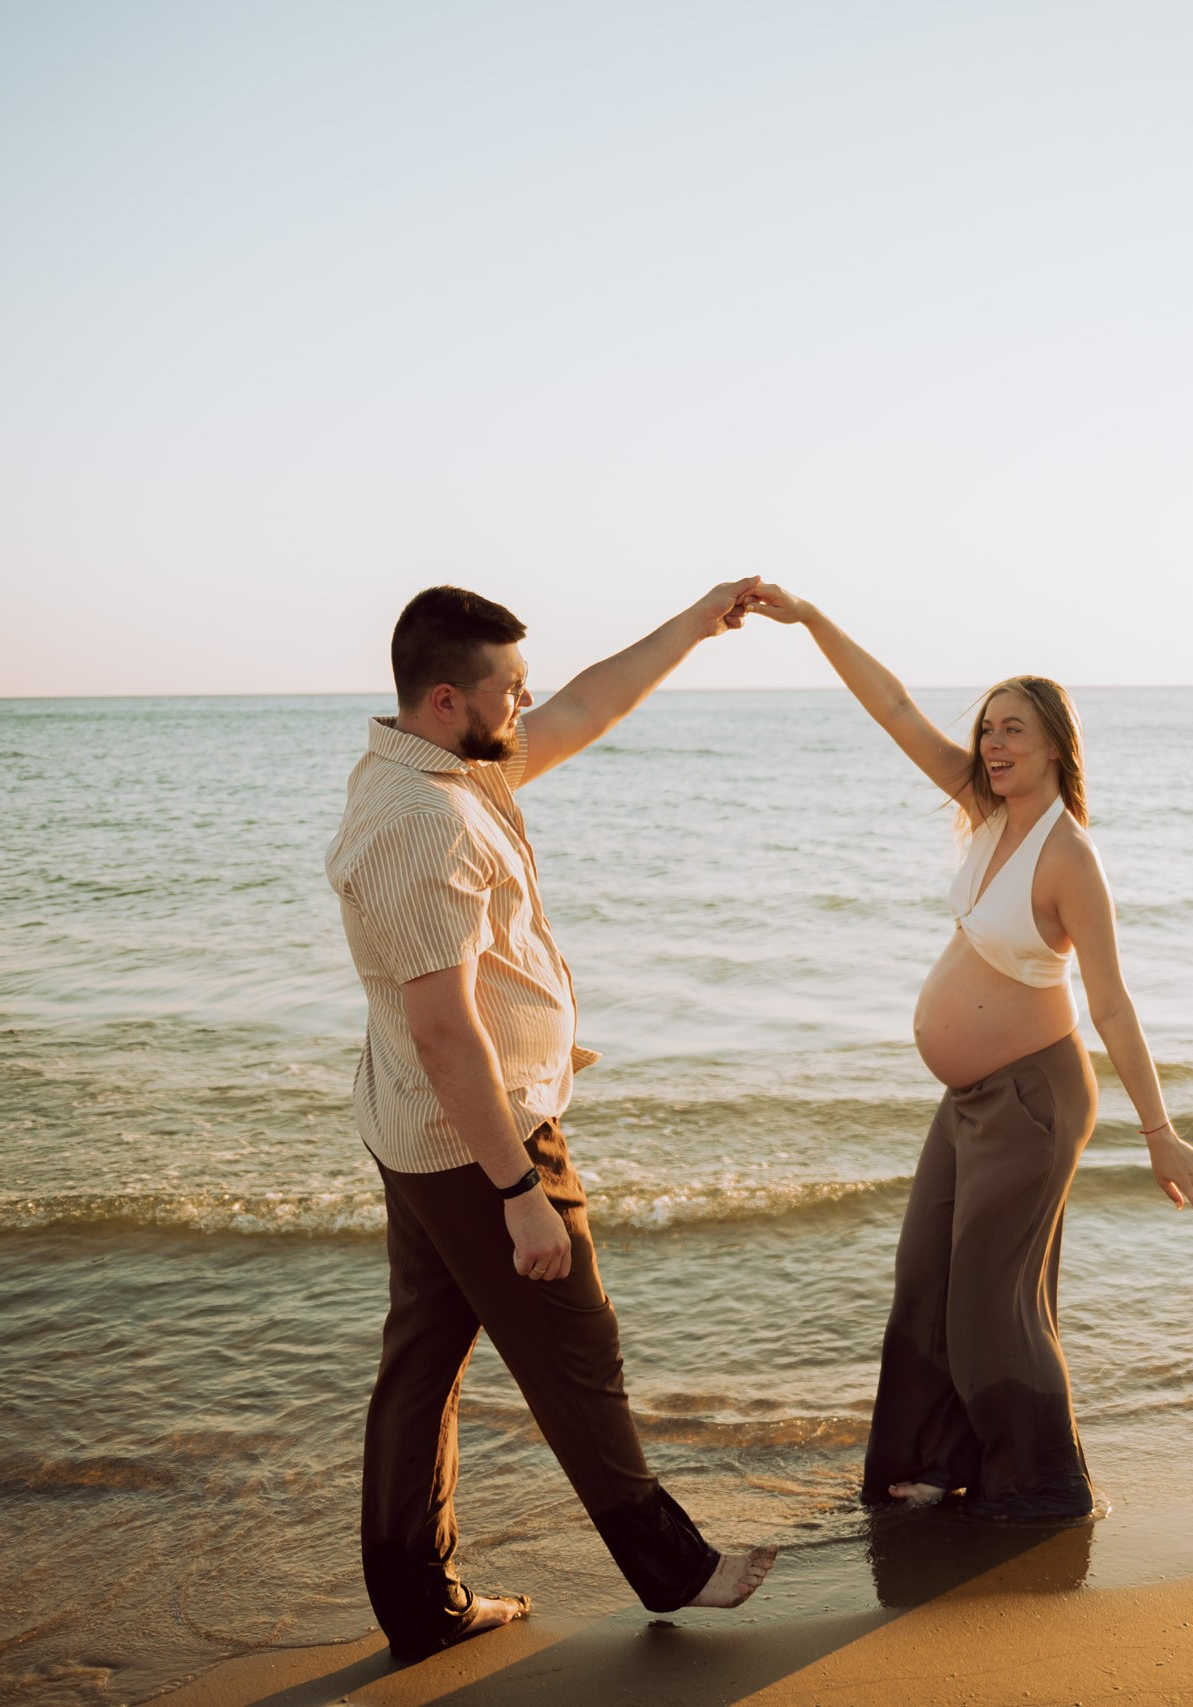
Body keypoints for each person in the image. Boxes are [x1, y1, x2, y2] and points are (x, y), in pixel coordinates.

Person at [325, 581, 780, 1661]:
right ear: (448, 699)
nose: (528, 710)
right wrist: (520, 1194)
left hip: (428, 1132)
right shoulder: (420, 820)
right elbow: (445, 1032)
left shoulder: (447, 768)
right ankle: (673, 1567)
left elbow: (586, 707)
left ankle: (419, 1608)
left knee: (422, 1368)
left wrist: (694, 622)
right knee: (578, 1346)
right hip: (477, 1143)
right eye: (509, 694)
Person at [743, 585, 1193, 1521]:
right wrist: (809, 622)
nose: (993, 744)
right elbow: (892, 708)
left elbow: (1113, 1005)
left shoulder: (1068, 856)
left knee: (989, 1308)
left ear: (1055, 743)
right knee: (926, 1282)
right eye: (987, 730)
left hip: (1033, 1099)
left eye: (1012, 729)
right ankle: (939, 1463)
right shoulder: (984, 809)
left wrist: (1161, 1132)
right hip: (970, 1099)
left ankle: (1045, 1487)